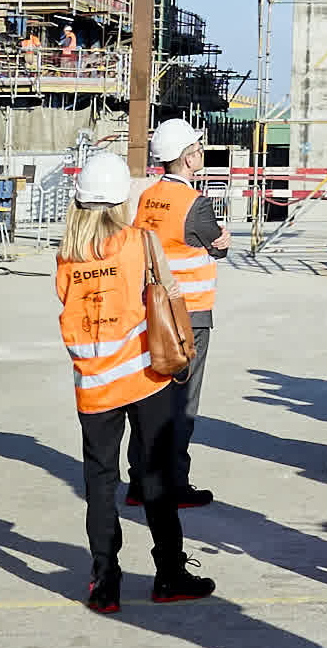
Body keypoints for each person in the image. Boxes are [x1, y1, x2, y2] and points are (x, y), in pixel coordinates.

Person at [54, 149, 213, 613]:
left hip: (94, 384)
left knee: (100, 485)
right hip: (145, 378)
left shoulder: (67, 257)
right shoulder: (138, 243)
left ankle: (104, 581)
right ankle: (169, 571)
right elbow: (171, 294)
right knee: (157, 477)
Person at [135, 117, 226, 511]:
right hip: (190, 315)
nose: (201, 153)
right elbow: (218, 245)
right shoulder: (196, 203)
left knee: (149, 397)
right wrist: (220, 242)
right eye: (197, 149)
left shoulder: (147, 197)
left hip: (152, 310)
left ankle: (141, 481)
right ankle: (175, 483)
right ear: (188, 159)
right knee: (183, 403)